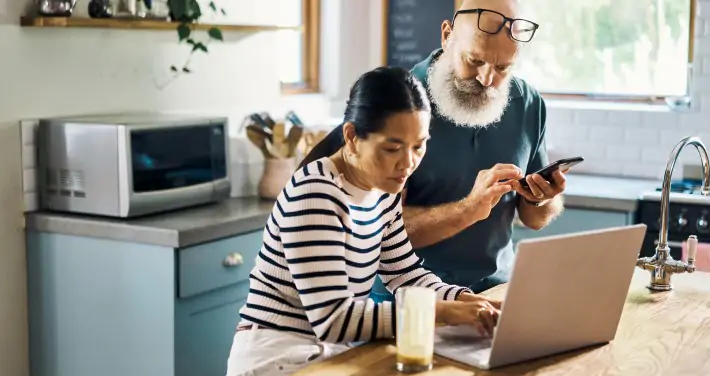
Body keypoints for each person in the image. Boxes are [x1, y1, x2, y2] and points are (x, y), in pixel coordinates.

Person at [226, 66, 503, 376]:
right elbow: (334, 319)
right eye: (392, 148)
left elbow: (406, 275)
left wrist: (468, 301)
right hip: (277, 355)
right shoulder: (315, 194)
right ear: (352, 137)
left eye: (419, 146)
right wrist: (441, 312)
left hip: (332, 355)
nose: (408, 163)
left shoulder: (382, 190)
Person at [370, 0, 569, 301]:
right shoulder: (396, 102)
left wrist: (541, 200)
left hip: (497, 295)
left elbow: (533, 220)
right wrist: (467, 210)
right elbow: (375, 232)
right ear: (447, 35)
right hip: (410, 301)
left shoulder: (528, 103)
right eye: (475, 61)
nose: (487, 79)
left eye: (503, 67)